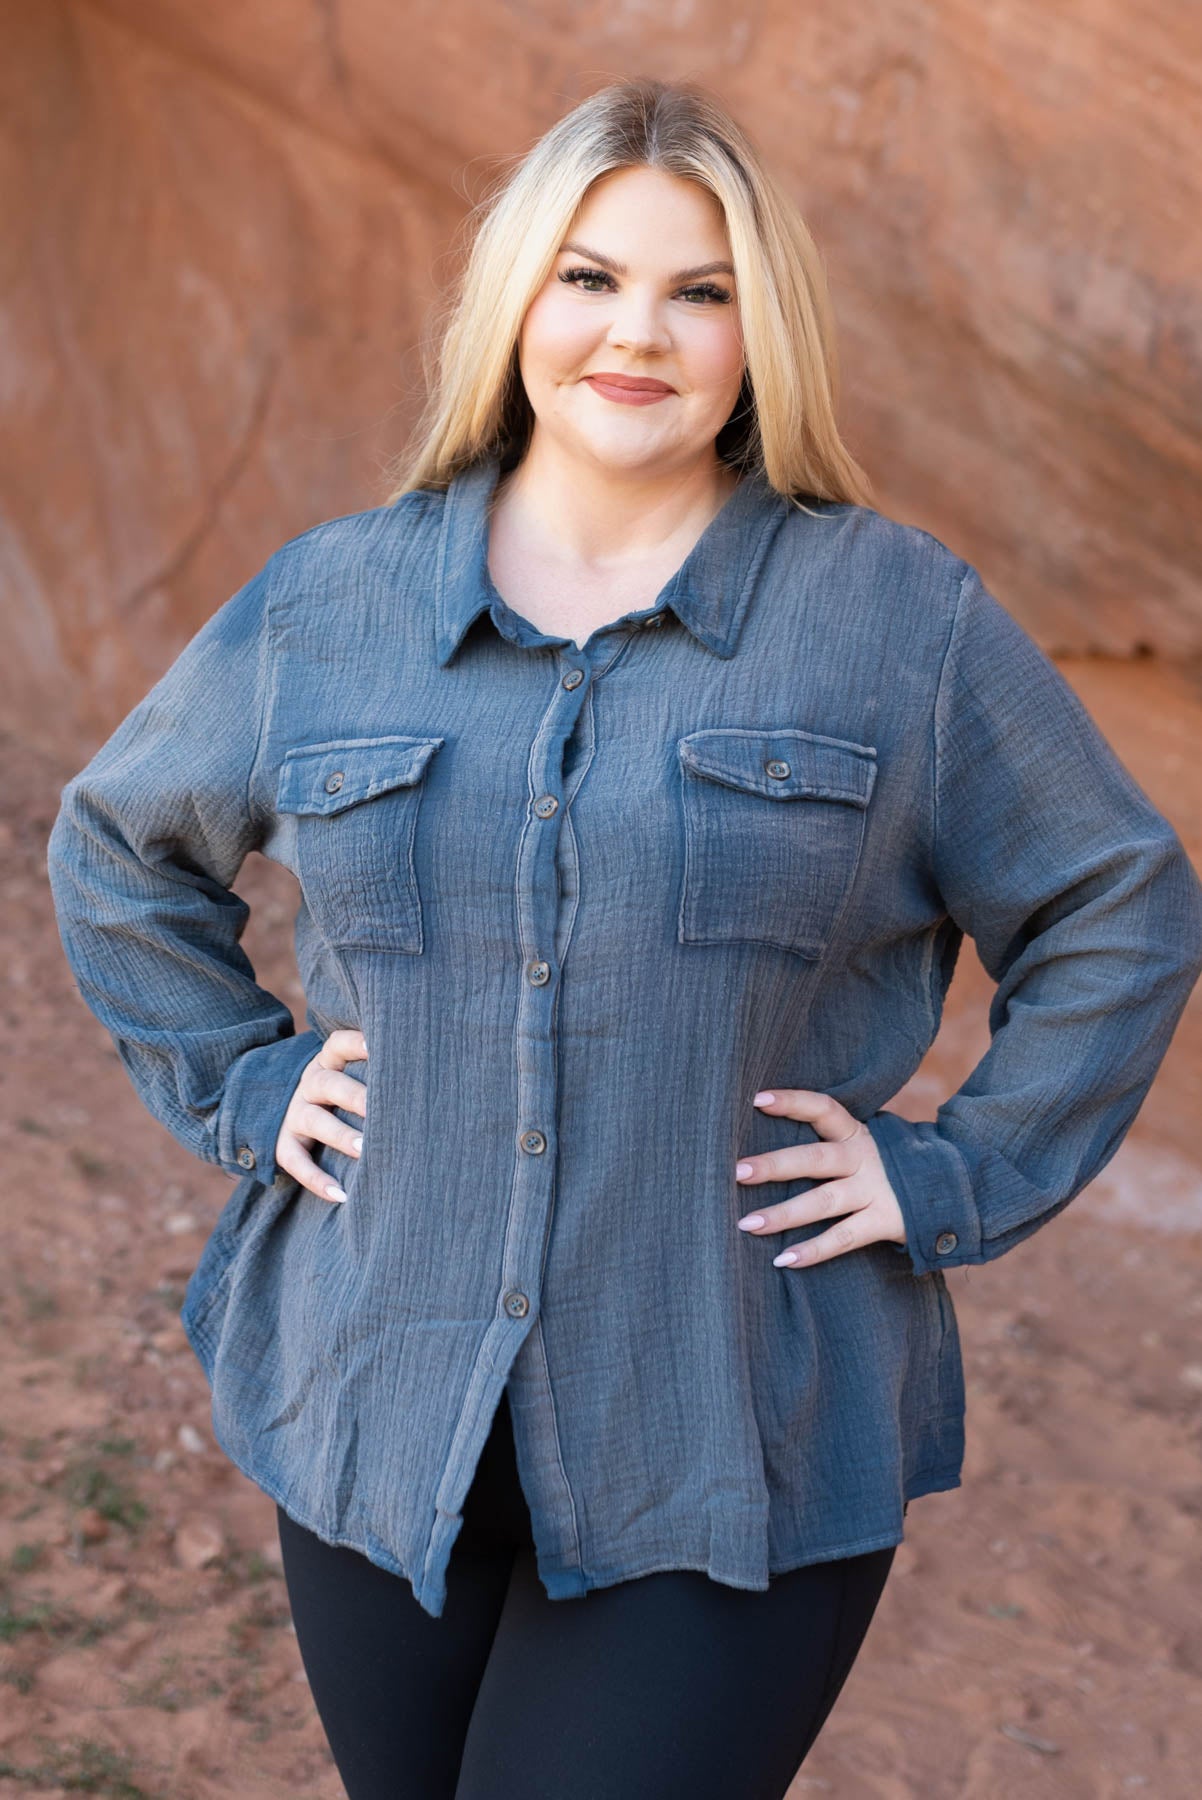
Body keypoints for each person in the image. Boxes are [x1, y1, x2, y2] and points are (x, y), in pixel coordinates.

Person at [45, 74, 1202, 1800]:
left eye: (699, 289)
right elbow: (118, 845)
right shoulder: (331, 604)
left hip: (722, 1423)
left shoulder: (891, 617)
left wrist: (954, 1173)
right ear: (515, 301)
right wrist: (241, 1083)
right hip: (379, 1398)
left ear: (763, 330)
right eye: (586, 277)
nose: (634, 334)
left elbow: (1117, 902)